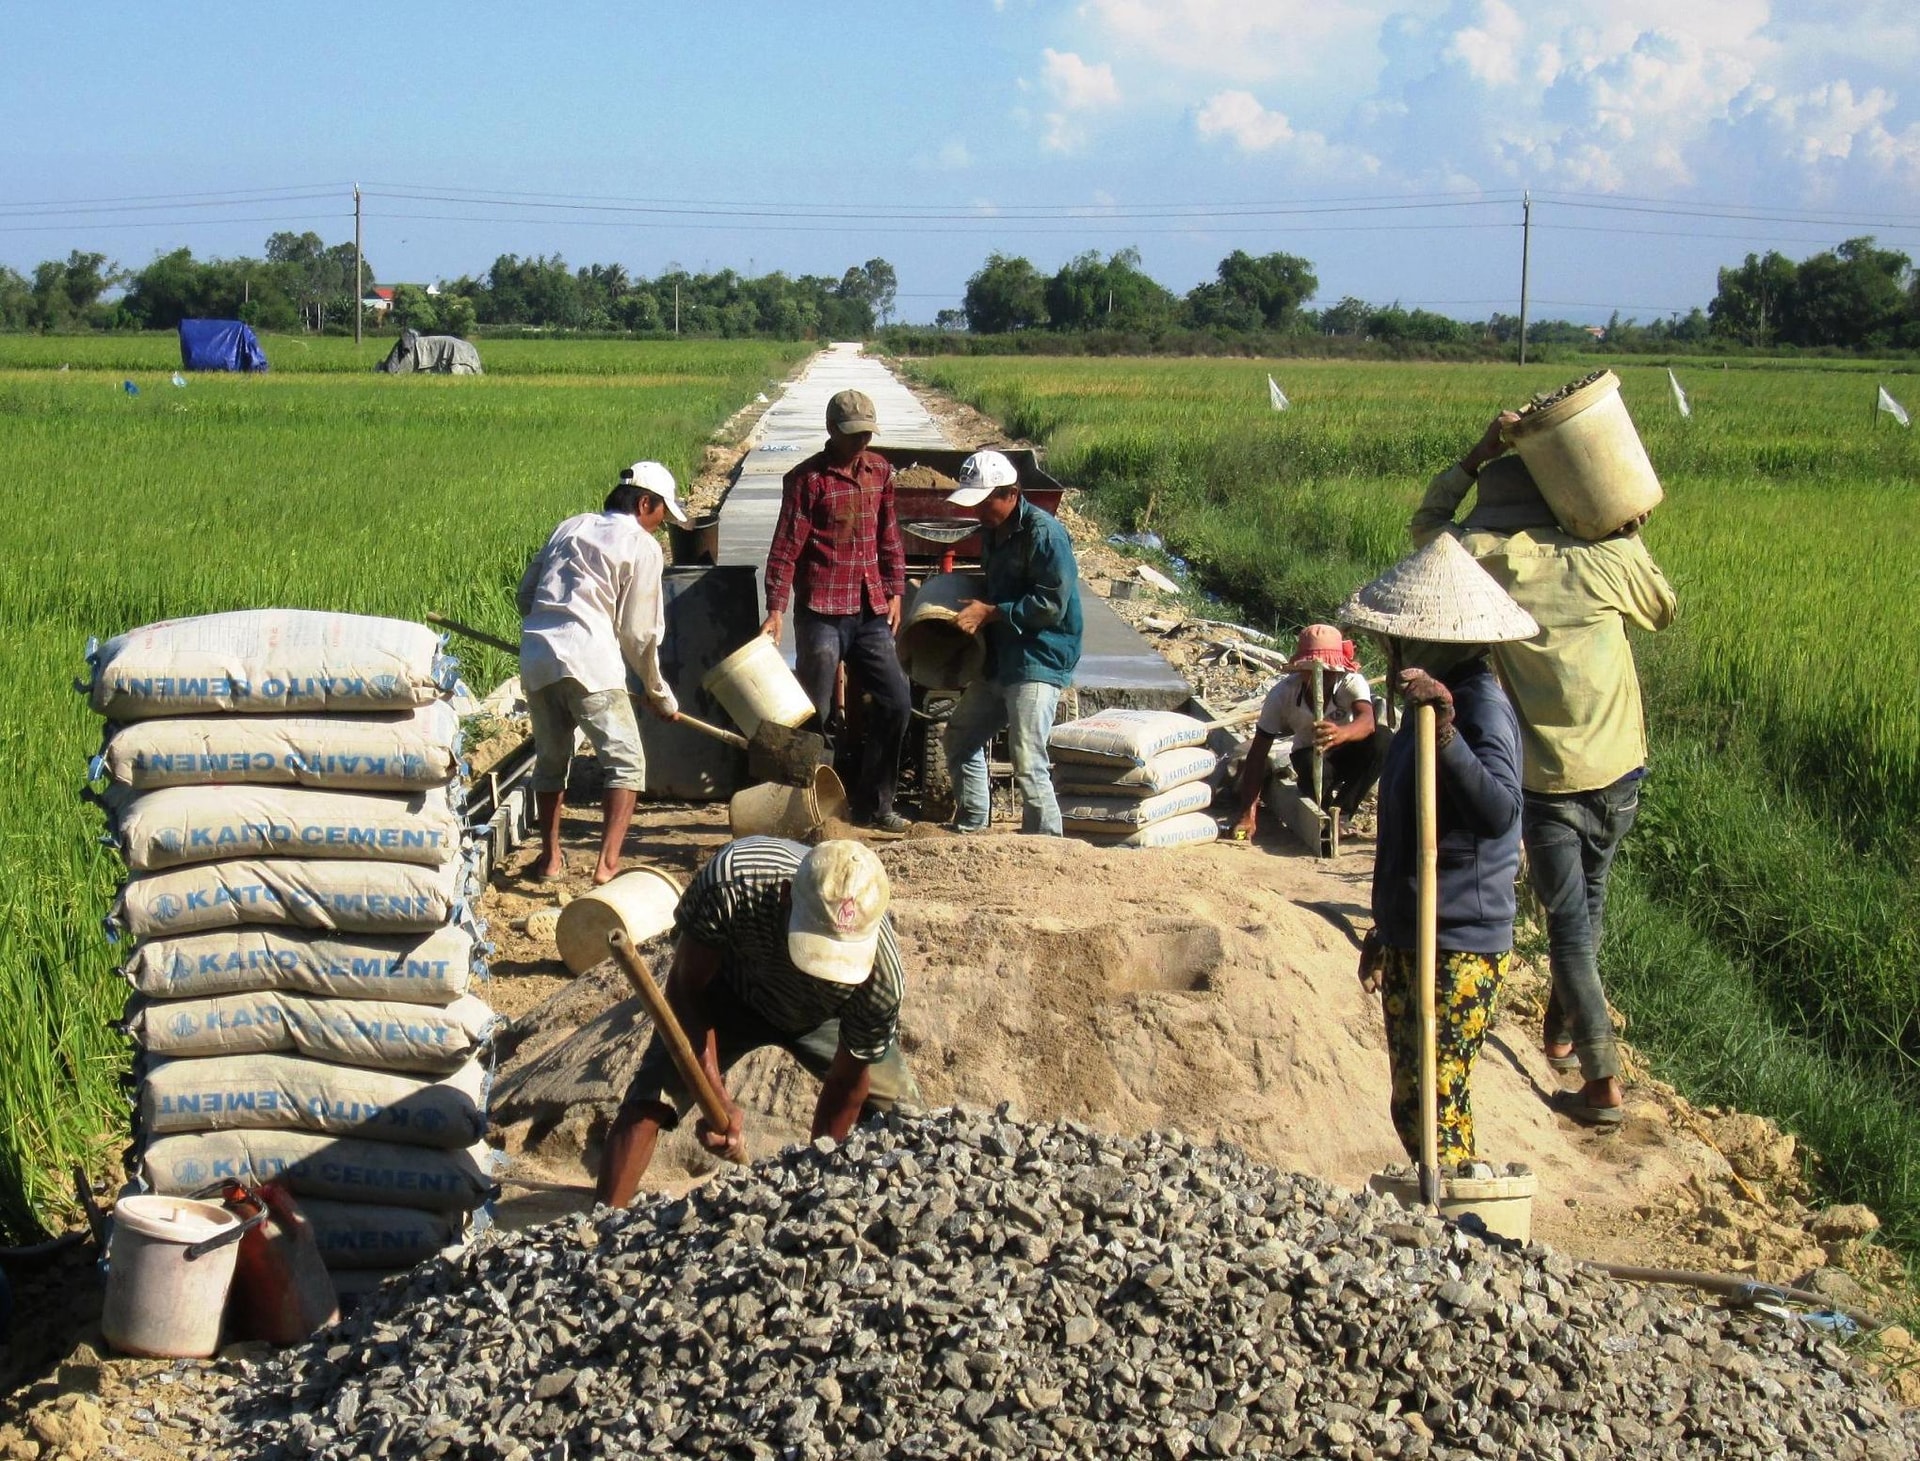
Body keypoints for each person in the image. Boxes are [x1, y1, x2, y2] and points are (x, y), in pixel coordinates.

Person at [1412, 414, 1677, 1128]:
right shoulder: (1603, 557)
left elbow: (1427, 523)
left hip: (1553, 776)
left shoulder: (1484, 555)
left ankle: (1601, 1083)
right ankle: (1563, 1031)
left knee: (1568, 923)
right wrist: (1623, 528)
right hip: (1622, 764)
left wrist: (1474, 453)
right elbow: (1665, 606)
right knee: (1587, 905)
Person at [1342, 534, 1537, 1167]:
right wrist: (1386, 926)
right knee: (1412, 1102)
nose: (1386, 652)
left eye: (1395, 641)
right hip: (1414, 930)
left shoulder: (1478, 708)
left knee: (1439, 1102)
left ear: (1434, 642)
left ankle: (1463, 1234)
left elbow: (1500, 811)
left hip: (1457, 939)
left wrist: (1449, 733)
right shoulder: (1418, 706)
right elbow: (1406, 831)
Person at [595, 837, 919, 1206]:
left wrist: (817, 1187)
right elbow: (685, 987)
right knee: (653, 1095)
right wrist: (714, 1095)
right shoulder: (733, 880)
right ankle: (597, 1230)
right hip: (729, 993)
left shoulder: (881, 980)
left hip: (823, 1017)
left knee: (907, 1119)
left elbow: (847, 1083)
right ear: (785, 895)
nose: (819, 975)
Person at [518, 461, 687, 886]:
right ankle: (607, 866)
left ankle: (551, 860)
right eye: (661, 514)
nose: (660, 525)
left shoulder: (569, 526)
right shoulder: (641, 545)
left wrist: (552, 629)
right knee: (626, 763)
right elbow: (639, 633)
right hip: (591, 661)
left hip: (538, 656)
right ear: (645, 502)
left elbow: (526, 595)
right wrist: (658, 691)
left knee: (552, 762)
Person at [760, 389, 914, 833]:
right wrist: (775, 609)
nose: (861, 442)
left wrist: (896, 591)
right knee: (816, 711)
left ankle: (876, 804)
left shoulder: (880, 471)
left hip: (870, 609)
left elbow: (889, 536)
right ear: (832, 431)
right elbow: (786, 548)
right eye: (853, 435)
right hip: (823, 610)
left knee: (896, 701)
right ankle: (811, 812)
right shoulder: (808, 481)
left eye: (867, 433)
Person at [942, 449, 1084, 836]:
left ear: (1011, 493)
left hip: (1039, 656)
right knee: (959, 736)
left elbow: (1051, 603)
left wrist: (991, 613)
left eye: (985, 502)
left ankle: (1045, 842)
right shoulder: (992, 531)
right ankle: (973, 823)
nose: (978, 512)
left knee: (1027, 758)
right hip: (1002, 658)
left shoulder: (1045, 534)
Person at [1230, 624, 1386, 839]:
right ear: (1301, 669)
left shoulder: (1350, 682)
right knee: (1312, 768)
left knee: (1384, 739)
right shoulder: (1282, 695)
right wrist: (1248, 813)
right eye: (1312, 672)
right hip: (1311, 757)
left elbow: (1367, 721)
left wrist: (1341, 734)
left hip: (1349, 751)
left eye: (1329, 672)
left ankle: (1342, 812)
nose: (1322, 678)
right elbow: (1258, 753)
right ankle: (1325, 814)